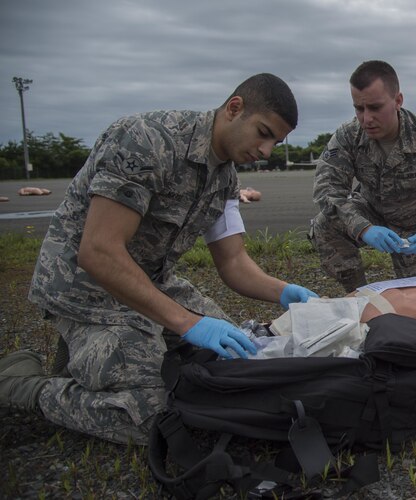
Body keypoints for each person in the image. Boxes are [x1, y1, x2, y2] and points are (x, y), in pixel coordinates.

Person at [0, 73, 319, 445]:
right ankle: (23, 385)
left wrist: (287, 293)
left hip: (149, 282)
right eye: (263, 133)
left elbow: (233, 261)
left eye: (275, 142)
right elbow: (98, 252)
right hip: (85, 290)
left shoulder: (225, 179)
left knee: (237, 360)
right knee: (154, 415)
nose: (266, 151)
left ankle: (91, 358)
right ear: (234, 108)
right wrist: (187, 322)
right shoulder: (146, 140)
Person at [310, 60, 416, 293]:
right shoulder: (348, 136)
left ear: (398, 101)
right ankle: (357, 294)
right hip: (370, 215)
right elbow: (328, 190)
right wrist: (363, 228)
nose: (366, 118)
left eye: (375, 107)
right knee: (324, 224)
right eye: (359, 108)